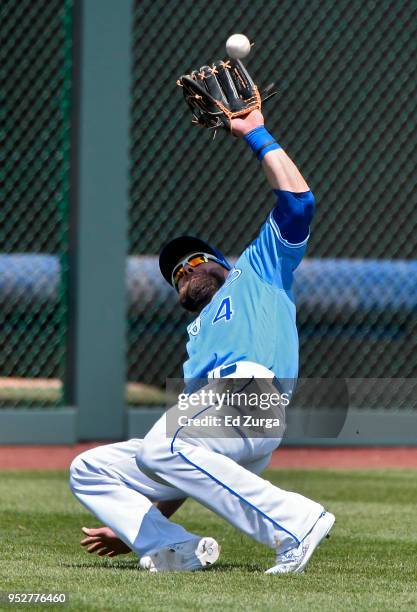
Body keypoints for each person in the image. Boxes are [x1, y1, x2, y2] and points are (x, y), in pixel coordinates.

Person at [70, 109, 335, 574]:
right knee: (89, 469)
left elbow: (298, 203)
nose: (188, 270)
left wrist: (255, 132)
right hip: (225, 419)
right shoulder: (196, 344)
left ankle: (296, 522)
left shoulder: (259, 270)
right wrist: (144, 521)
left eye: (195, 259)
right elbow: (185, 456)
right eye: (177, 274)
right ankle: (175, 549)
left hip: (253, 396)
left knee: (162, 445)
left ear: (219, 262)